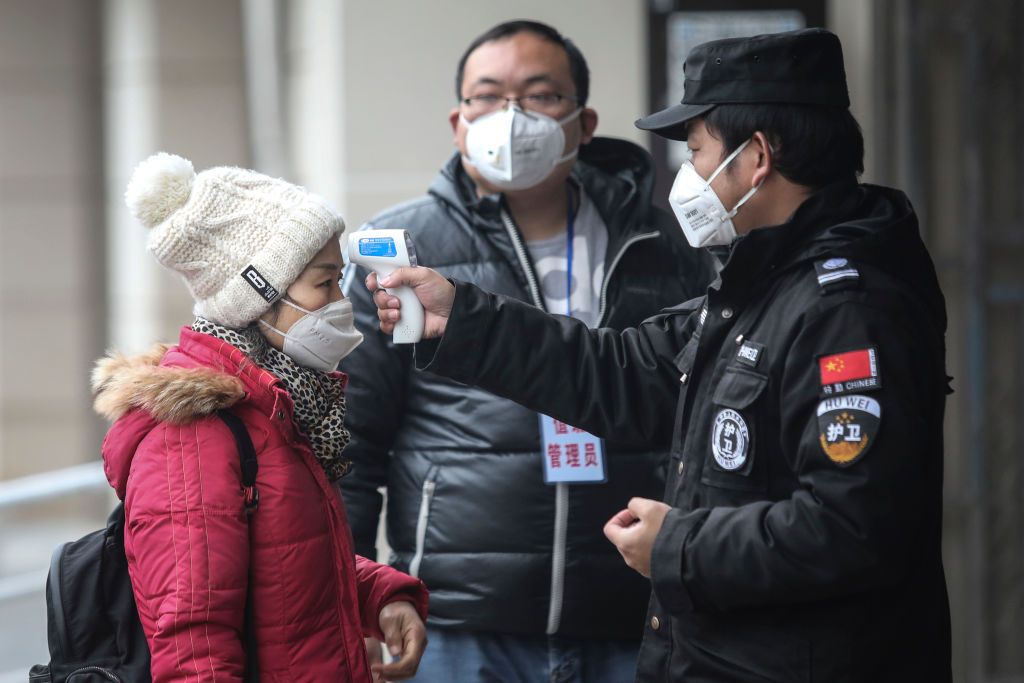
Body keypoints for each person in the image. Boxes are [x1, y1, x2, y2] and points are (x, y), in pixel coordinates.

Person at [365, 28, 952, 683]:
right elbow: (625, 371)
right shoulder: (759, 284)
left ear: (755, 157)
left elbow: (851, 527)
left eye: (697, 150)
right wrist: (460, 318)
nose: (687, 175)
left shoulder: (846, 309)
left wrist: (677, 545)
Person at [338, 19, 713, 683]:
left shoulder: (667, 246)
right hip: (456, 623)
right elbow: (351, 442)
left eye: (540, 96)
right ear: (459, 121)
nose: (510, 117)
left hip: (633, 615)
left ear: (584, 121)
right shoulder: (397, 249)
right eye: (487, 97)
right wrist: (359, 598)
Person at [93, 152, 429, 682]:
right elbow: (193, 647)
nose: (341, 302)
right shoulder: (195, 434)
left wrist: (379, 596)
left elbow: (285, 562)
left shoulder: (272, 406)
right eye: (324, 284)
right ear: (258, 298)